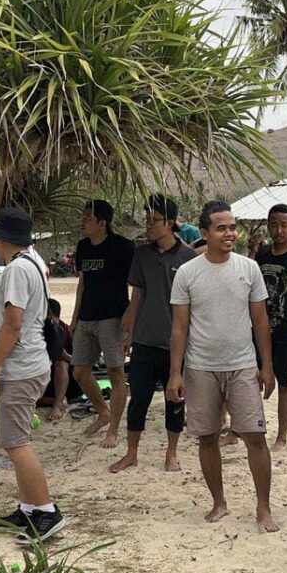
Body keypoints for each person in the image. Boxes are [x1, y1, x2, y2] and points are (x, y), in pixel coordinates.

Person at [167, 200, 279, 531]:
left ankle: (263, 508)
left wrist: (267, 366)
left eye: (232, 227)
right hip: (201, 368)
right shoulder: (187, 273)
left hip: (243, 366)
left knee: (255, 436)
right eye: (221, 228)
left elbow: (260, 321)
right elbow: (179, 327)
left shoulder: (249, 268)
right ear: (204, 232)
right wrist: (176, 372)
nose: (230, 233)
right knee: (207, 437)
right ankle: (219, 503)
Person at [0, 207, 65, 540]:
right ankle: (28, 508)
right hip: (30, 363)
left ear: (2, 239)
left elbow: (13, 322)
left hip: (19, 368)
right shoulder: (33, 261)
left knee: (16, 443)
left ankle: (46, 511)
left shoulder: (17, 269)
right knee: (15, 441)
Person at [111, 194, 196, 475]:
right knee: (139, 400)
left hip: (176, 344)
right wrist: (129, 333)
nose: (148, 224)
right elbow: (137, 294)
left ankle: (171, 454)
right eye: (146, 218)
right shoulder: (142, 254)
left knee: (175, 402)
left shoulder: (188, 257)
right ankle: (131, 453)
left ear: (170, 223)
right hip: (145, 341)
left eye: (153, 219)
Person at [70, 200, 135, 447]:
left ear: (102, 223)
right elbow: (82, 283)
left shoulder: (122, 247)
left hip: (112, 318)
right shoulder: (83, 246)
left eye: (88, 218)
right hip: (86, 318)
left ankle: (114, 430)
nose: (83, 221)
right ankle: (102, 411)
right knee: (79, 371)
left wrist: (130, 317)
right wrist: (75, 317)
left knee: (115, 373)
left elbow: (136, 285)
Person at [254, 204, 287, 450]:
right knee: (251, 381)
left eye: (284, 225)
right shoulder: (261, 254)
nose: (279, 230)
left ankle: (282, 436)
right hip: (259, 330)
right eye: (274, 224)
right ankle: (247, 429)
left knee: (285, 384)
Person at [37, 298, 81, 422]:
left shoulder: (66, 331)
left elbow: (82, 363)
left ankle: (57, 404)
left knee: (61, 363)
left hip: (67, 381)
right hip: (44, 379)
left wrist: (65, 356)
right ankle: (53, 400)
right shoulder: (37, 331)